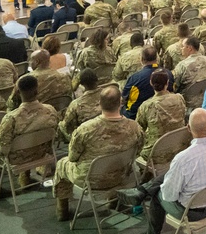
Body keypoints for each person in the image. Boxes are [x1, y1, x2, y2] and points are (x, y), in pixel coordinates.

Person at [120, 108, 206, 234]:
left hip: (193, 213)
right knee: (172, 174)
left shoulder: (184, 158)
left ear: (188, 128)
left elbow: (169, 195)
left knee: (158, 194)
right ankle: (143, 190)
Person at [52, 84, 144, 221]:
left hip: (91, 180)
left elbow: (72, 157)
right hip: (122, 175)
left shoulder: (85, 130)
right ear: (121, 102)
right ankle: (113, 200)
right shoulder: (134, 127)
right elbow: (138, 152)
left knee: (61, 164)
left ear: (99, 104)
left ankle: (62, 211)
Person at [0, 74, 58, 199]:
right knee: (26, 141)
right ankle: (25, 177)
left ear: (17, 92)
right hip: (42, 154)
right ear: (37, 90)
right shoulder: (50, 110)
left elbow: (3, 149)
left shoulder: (11, 118)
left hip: (16, 160)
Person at [135, 70, 187, 159]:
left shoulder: (146, 106)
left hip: (156, 154)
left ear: (151, 83)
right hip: (180, 146)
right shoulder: (179, 98)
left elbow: (139, 130)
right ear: (167, 83)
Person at [122, 46, 171, 119]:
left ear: (141, 59)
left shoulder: (135, 79)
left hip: (136, 116)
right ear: (157, 58)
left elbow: (125, 98)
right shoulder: (169, 74)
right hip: (165, 112)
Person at [58, 69, 107, 142]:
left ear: (82, 84)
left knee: (61, 125)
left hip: (87, 138)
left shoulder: (76, 104)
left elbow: (67, 125)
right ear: (97, 80)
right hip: (107, 132)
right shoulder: (108, 95)